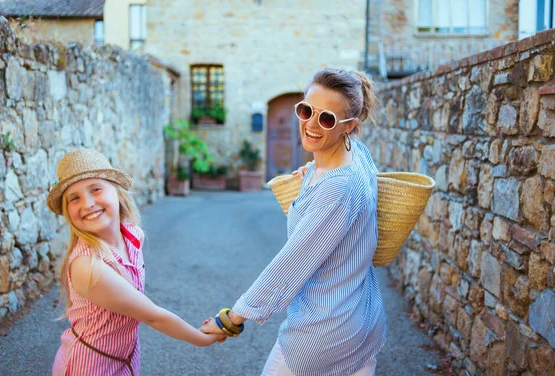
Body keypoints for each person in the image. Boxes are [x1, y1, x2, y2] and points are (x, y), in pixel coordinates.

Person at [202, 68, 387, 376]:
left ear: (349, 125)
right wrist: (313, 171)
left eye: (326, 118)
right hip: (363, 319)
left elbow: (290, 265)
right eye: (306, 110)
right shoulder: (358, 156)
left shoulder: (336, 188)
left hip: (324, 331)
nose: (311, 124)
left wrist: (231, 319)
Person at [47, 148, 222, 376]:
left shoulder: (131, 235)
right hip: (89, 365)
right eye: (74, 198)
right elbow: (152, 316)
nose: (88, 203)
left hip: (125, 356)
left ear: (117, 193)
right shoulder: (88, 266)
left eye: (96, 189)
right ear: (68, 211)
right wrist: (202, 339)